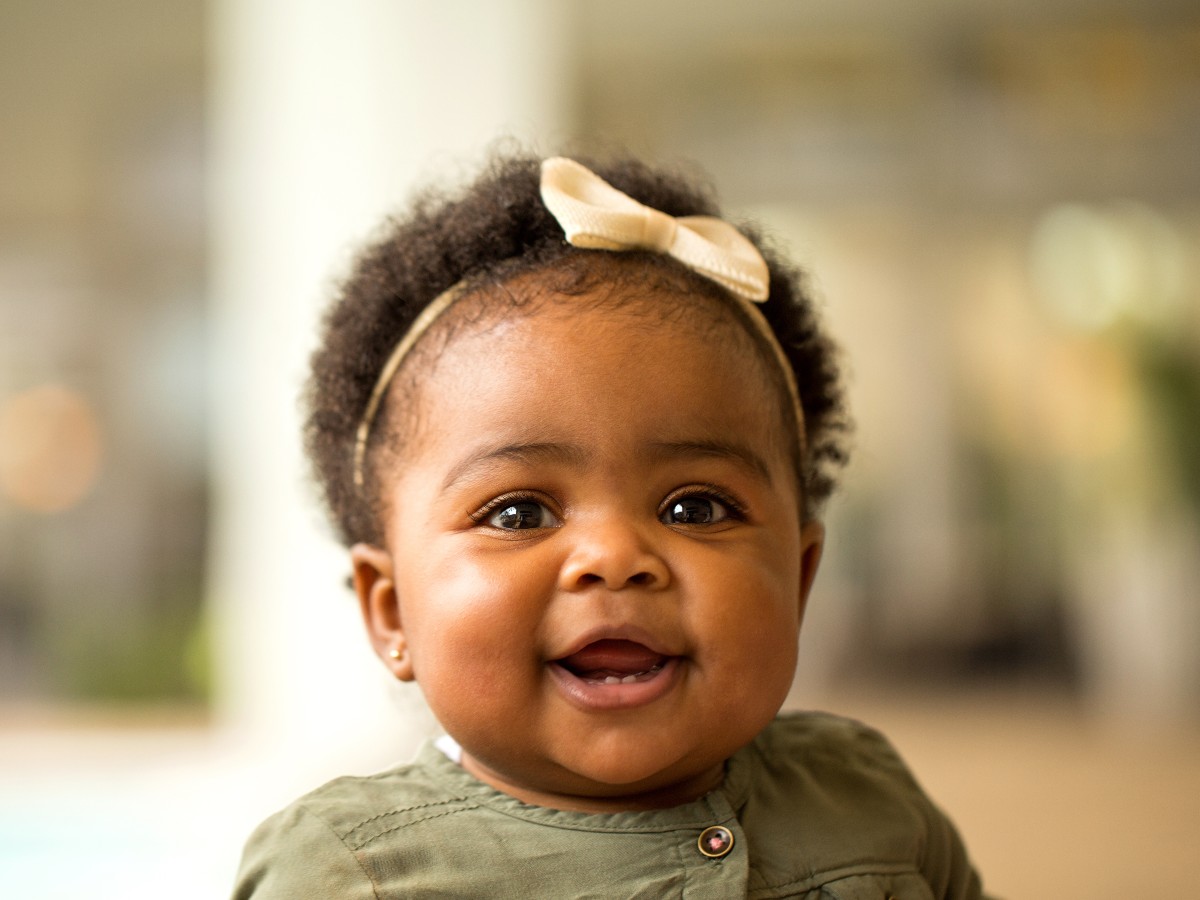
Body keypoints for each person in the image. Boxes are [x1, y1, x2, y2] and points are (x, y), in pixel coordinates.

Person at [232, 152, 987, 898]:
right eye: (519, 513)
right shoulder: (351, 875)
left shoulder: (866, 796)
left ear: (797, 576)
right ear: (391, 609)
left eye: (695, 507)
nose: (615, 556)